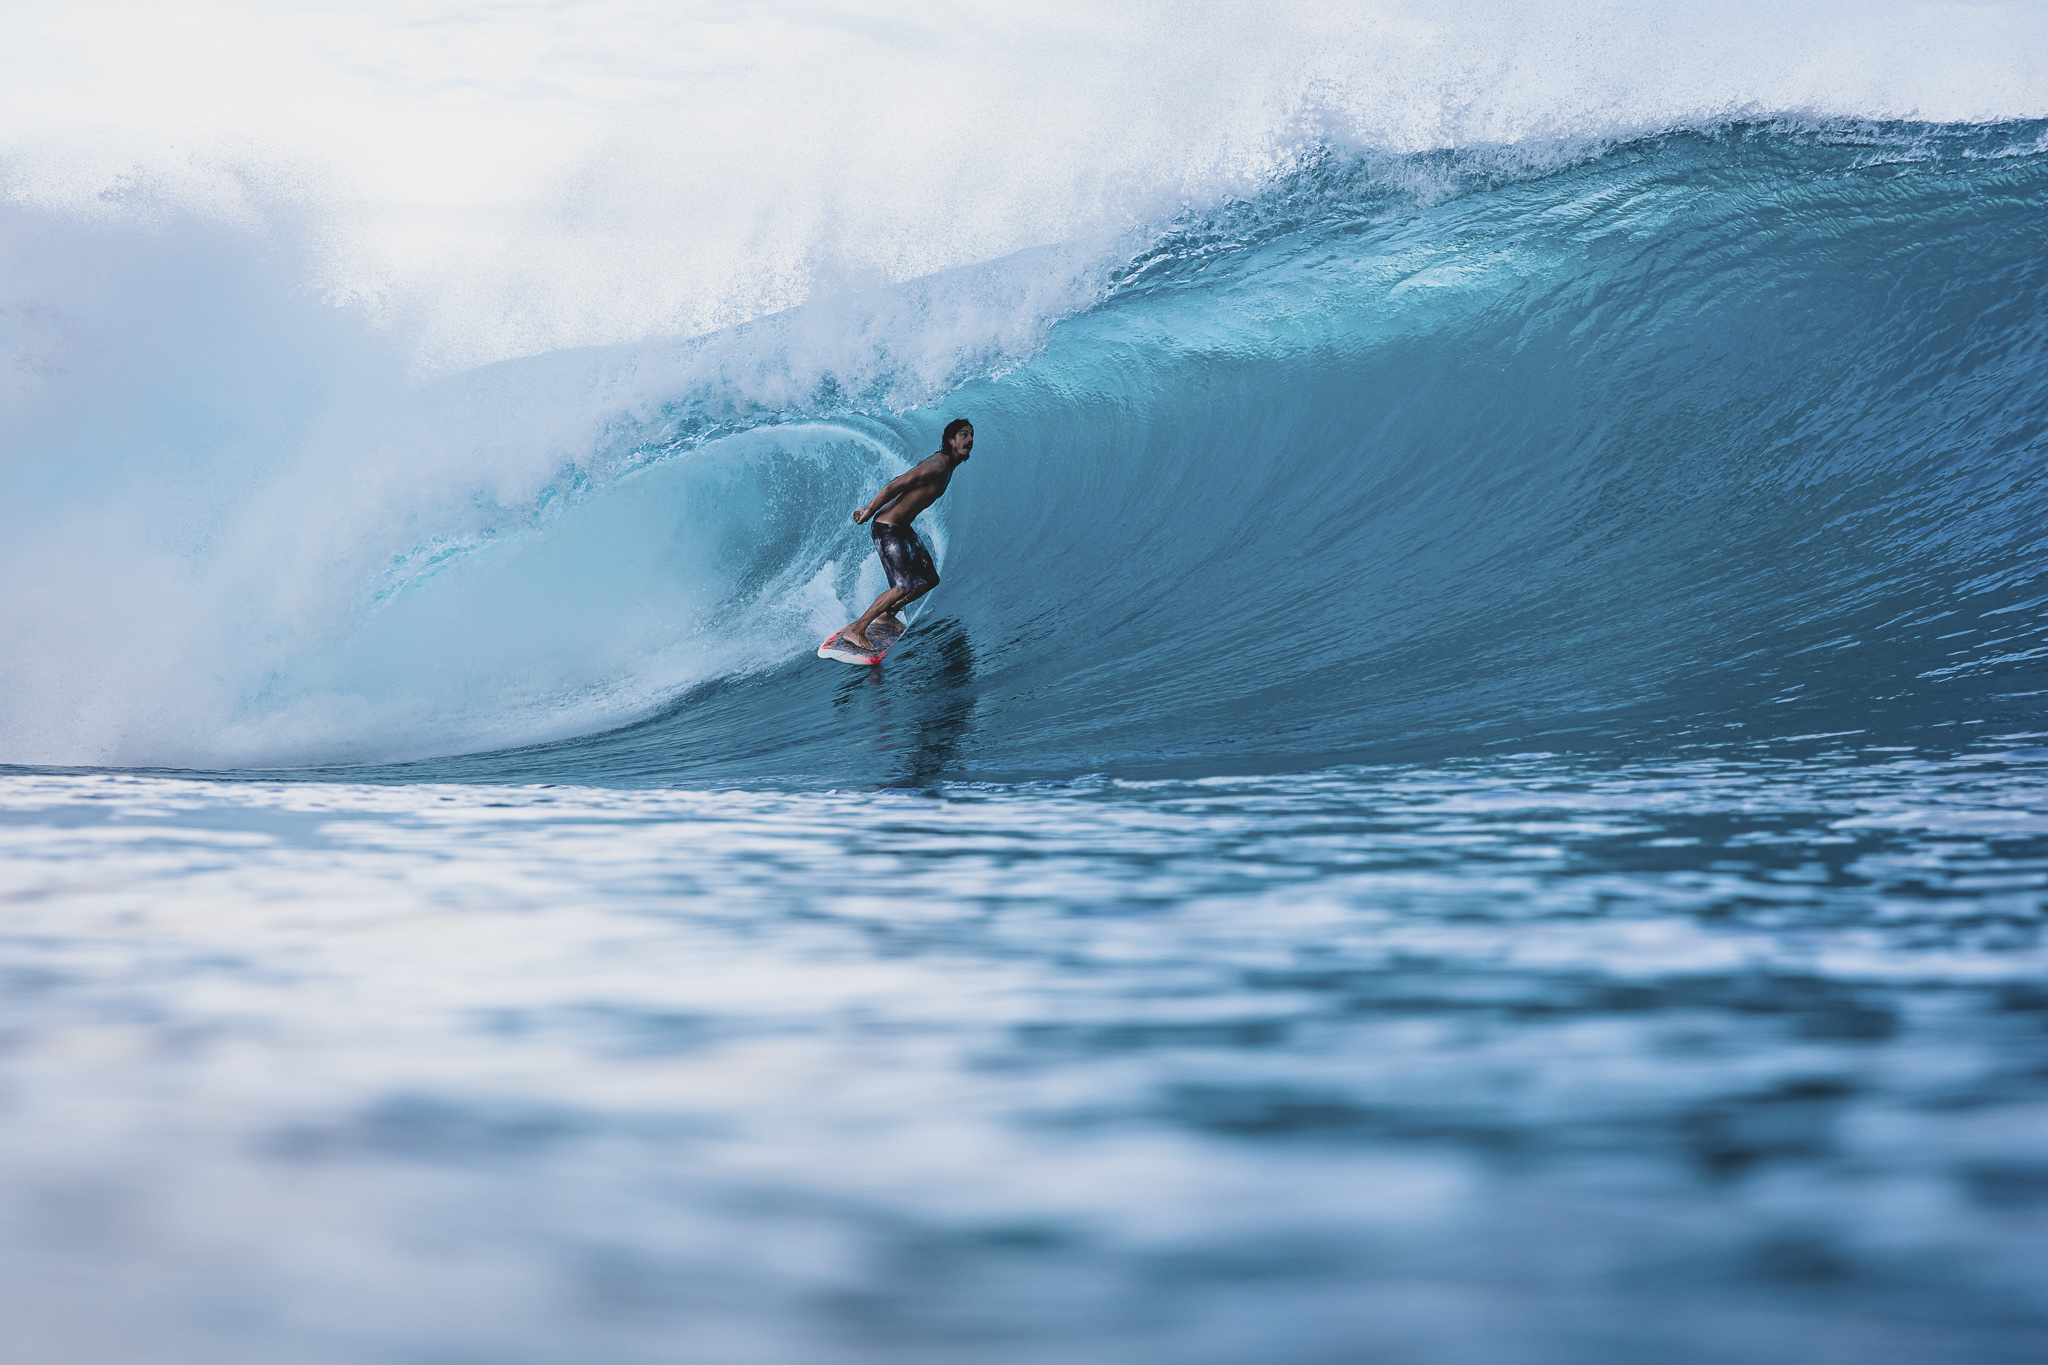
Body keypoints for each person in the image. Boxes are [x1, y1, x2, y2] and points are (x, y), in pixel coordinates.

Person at [835, 418, 973, 652]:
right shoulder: (938, 465)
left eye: (971, 435)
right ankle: (856, 630)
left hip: (901, 528)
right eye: (963, 434)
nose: (969, 439)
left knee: (929, 579)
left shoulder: (946, 466)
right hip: (887, 527)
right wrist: (869, 509)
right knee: (902, 587)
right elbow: (896, 484)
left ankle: (886, 615)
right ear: (951, 440)